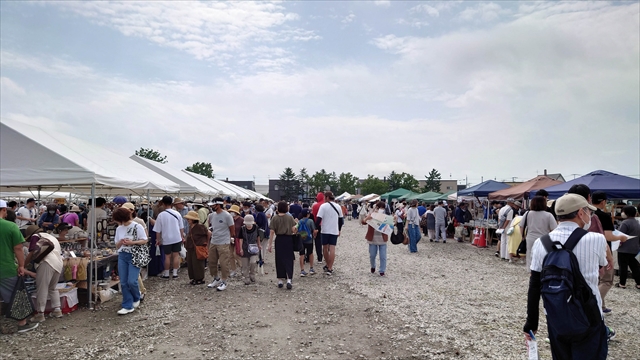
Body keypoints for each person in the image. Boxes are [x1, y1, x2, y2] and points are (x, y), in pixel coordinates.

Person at [523, 194, 609, 359]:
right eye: (588, 212)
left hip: (556, 316)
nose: (590, 216)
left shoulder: (541, 243)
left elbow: (534, 285)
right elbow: (601, 268)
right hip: (589, 314)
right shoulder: (596, 239)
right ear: (580, 213)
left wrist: (531, 323)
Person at [0, 200, 39, 332]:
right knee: (16, 295)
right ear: (4, 210)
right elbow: (18, 248)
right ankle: (22, 323)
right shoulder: (10, 226)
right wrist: (22, 266)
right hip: (5, 268)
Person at [590, 190, 625, 313]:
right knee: (607, 280)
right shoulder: (604, 216)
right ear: (603, 202)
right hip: (603, 249)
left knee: (597, 279)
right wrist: (621, 237)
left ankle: (602, 306)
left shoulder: (586, 213)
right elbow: (608, 236)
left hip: (588, 249)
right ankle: (594, 304)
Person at [24, 223, 65, 323]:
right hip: (59, 263)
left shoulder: (35, 236)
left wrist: (23, 265)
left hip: (46, 262)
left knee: (42, 287)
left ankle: (40, 314)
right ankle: (57, 310)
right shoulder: (51, 236)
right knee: (52, 287)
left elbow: (32, 253)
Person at [112, 208, 148, 315]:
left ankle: (136, 297)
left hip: (134, 254)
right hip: (123, 255)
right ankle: (127, 305)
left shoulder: (137, 226)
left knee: (132, 280)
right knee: (123, 282)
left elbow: (145, 240)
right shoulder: (119, 229)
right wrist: (121, 242)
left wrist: (132, 242)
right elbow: (116, 245)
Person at [519, 196, 557, 270]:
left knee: (530, 254)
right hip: (544, 238)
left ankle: (530, 270)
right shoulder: (548, 215)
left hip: (530, 237)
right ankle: (542, 269)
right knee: (543, 254)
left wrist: (522, 236)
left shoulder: (527, 213)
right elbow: (554, 228)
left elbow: (521, 226)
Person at [206, 198, 235, 291]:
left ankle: (224, 281)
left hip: (224, 242)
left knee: (223, 263)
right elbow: (211, 226)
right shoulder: (211, 215)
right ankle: (216, 278)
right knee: (211, 261)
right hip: (214, 241)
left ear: (218, 205)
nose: (211, 207)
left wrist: (229, 238)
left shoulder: (227, 216)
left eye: (213, 205)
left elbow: (232, 229)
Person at [153, 196, 185, 279]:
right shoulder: (177, 214)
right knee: (176, 255)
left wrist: (158, 239)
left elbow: (158, 230)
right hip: (177, 237)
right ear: (172, 203)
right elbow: (181, 227)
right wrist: (182, 237)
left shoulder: (161, 215)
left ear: (163, 203)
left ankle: (166, 274)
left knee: (167, 256)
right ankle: (175, 273)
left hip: (166, 238)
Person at [268, 201, 298, 289]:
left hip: (279, 239)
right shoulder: (290, 217)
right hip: (288, 239)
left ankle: (280, 280)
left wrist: (270, 244)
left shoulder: (275, 218)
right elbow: (294, 230)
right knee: (289, 258)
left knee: (279, 259)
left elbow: (272, 232)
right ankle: (289, 279)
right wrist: (297, 224)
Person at [315, 191, 344, 276]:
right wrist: (339, 229)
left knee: (325, 248)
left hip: (325, 230)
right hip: (334, 230)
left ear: (327, 197)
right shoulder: (338, 206)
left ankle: (327, 265)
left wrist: (315, 228)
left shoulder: (323, 206)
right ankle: (330, 268)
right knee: (332, 249)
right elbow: (341, 221)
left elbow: (318, 219)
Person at [615, 205, 640, 289]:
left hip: (624, 249)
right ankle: (639, 283)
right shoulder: (637, 222)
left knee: (623, 266)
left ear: (626, 213)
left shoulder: (625, 222)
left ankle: (622, 283)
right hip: (635, 248)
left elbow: (620, 235)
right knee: (635, 267)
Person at [183, 210, 210, 285]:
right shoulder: (191, 227)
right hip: (190, 247)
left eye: (189, 219)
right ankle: (193, 277)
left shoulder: (200, 227)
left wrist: (206, 243)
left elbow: (208, 233)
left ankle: (199, 278)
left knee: (197, 263)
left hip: (198, 246)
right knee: (191, 263)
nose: (188, 220)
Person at [363, 201, 389, 276]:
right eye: (379, 207)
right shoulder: (371, 215)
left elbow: (390, 226)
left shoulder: (386, 216)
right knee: (372, 255)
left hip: (382, 238)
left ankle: (382, 270)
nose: (380, 209)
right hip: (372, 238)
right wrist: (367, 218)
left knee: (383, 256)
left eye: (382, 208)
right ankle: (373, 266)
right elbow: (363, 222)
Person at [237, 215, 263, 285]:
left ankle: (252, 274)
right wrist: (241, 248)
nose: (248, 225)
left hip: (253, 247)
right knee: (245, 265)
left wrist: (259, 244)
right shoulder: (242, 229)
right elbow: (240, 239)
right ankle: (246, 277)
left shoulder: (256, 227)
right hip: (245, 247)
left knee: (253, 262)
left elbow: (258, 236)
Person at [297, 209, 317, 277]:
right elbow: (314, 230)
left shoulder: (299, 221)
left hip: (301, 240)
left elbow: (296, 230)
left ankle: (302, 270)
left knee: (301, 255)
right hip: (309, 240)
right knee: (310, 253)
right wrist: (315, 234)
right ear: (308, 214)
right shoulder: (310, 221)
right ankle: (311, 268)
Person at [228, 204, 244, 277]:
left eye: (233, 211)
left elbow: (243, 230)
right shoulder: (229, 219)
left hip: (238, 239)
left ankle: (242, 268)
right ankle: (233, 270)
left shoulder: (241, 220)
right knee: (230, 255)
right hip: (231, 239)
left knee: (236, 254)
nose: (231, 213)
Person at [311, 192, 325, 263]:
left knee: (317, 242)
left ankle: (319, 258)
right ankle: (327, 255)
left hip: (317, 224)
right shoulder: (326, 205)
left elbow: (313, 216)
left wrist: (314, 227)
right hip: (325, 225)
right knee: (326, 242)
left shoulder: (315, 206)